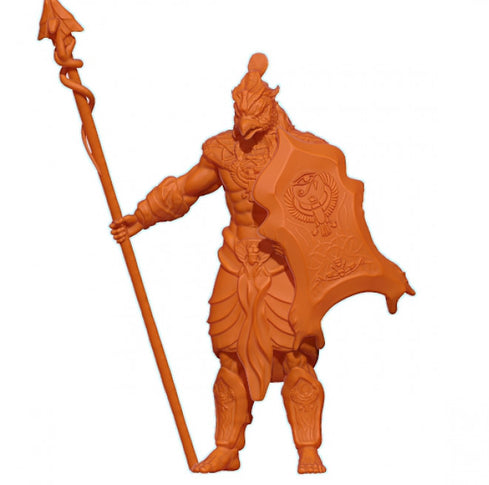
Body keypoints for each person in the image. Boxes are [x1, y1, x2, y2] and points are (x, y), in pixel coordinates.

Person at [111, 53, 327, 473]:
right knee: (228, 355)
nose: (244, 125)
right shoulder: (224, 151)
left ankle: (308, 448)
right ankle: (227, 448)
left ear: (270, 109)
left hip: (283, 266)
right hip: (236, 263)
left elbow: (328, 207)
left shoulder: (298, 151)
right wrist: (142, 216)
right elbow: (186, 189)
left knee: (296, 355)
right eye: (239, 115)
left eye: (253, 115)